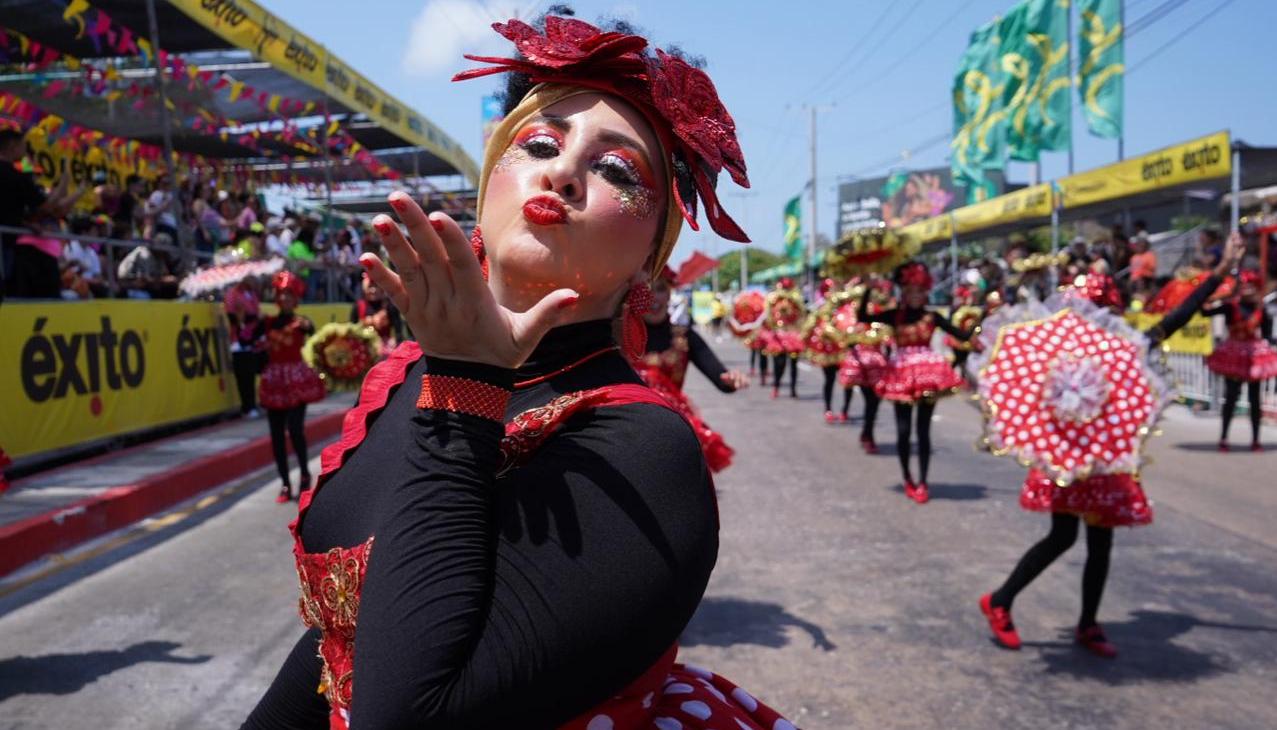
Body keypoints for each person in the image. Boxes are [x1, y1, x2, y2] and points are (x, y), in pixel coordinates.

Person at [243, 12, 796, 729]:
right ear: (491, 179)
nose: (563, 171)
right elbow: (336, 645)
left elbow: (408, 716)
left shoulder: (644, 451)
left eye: (615, 169)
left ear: (651, 252)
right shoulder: (412, 372)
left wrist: (464, 393)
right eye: (539, 142)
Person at [979, 234, 1246, 658]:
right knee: (1063, 537)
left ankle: (1088, 623)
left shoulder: (1125, 349)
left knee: (1101, 544)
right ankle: (1000, 600)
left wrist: (1218, 274)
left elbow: (1177, 317)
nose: (1098, 318)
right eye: (1092, 310)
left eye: (1104, 311)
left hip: (1106, 461)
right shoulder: (1055, 348)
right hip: (1065, 459)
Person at [860, 261, 972, 503]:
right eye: (911, 292)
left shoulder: (932, 316)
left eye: (920, 292)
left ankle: (923, 481)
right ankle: (908, 477)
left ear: (925, 292)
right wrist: (868, 288)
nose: (916, 296)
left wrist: (983, 318)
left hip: (929, 375)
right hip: (901, 373)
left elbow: (962, 335)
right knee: (903, 431)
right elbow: (863, 316)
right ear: (904, 293)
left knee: (923, 431)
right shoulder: (895, 315)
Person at [636, 266, 747, 472]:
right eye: (646, 290)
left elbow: (720, 377)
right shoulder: (619, 336)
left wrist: (731, 379)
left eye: (660, 289)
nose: (653, 298)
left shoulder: (684, 337)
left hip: (671, 430)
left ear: (670, 293)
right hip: (629, 431)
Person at [259, 270, 325, 503]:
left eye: (289, 294)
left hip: (297, 380)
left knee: (295, 429)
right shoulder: (266, 322)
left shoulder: (303, 323)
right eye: (281, 294)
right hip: (274, 381)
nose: (285, 298)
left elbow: (318, 344)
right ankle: (285, 483)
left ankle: (305, 474)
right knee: (276, 435)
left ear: (295, 297)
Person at [1203, 268, 1276, 451]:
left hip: (1253, 356)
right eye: (1244, 286)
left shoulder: (1261, 309)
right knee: (1231, 398)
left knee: (1254, 399)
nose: (1247, 290)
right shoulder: (1230, 307)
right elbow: (1204, 312)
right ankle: (1224, 437)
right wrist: (1210, 294)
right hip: (1234, 355)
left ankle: (1255, 440)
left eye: (1251, 286)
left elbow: (1267, 335)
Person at [761, 276, 806, 399]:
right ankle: (776, 386)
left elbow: (802, 315)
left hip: (792, 335)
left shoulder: (795, 300)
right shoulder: (774, 299)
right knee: (778, 364)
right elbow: (769, 315)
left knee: (793, 364)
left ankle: (793, 388)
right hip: (779, 335)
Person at [225, 277, 264, 418]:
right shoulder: (232, 293)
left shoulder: (252, 294)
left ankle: (254, 404)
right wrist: (242, 318)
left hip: (252, 339)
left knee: (252, 374)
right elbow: (232, 315)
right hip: (239, 340)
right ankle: (247, 407)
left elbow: (256, 313)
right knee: (243, 376)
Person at [350, 271, 404, 354]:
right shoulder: (357, 306)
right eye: (370, 287)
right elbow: (351, 330)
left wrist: (396, 344)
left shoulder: (389, 307)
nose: (373, 290)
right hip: (363, 349)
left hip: (385, 350)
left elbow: (398, 331)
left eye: (376, 287)